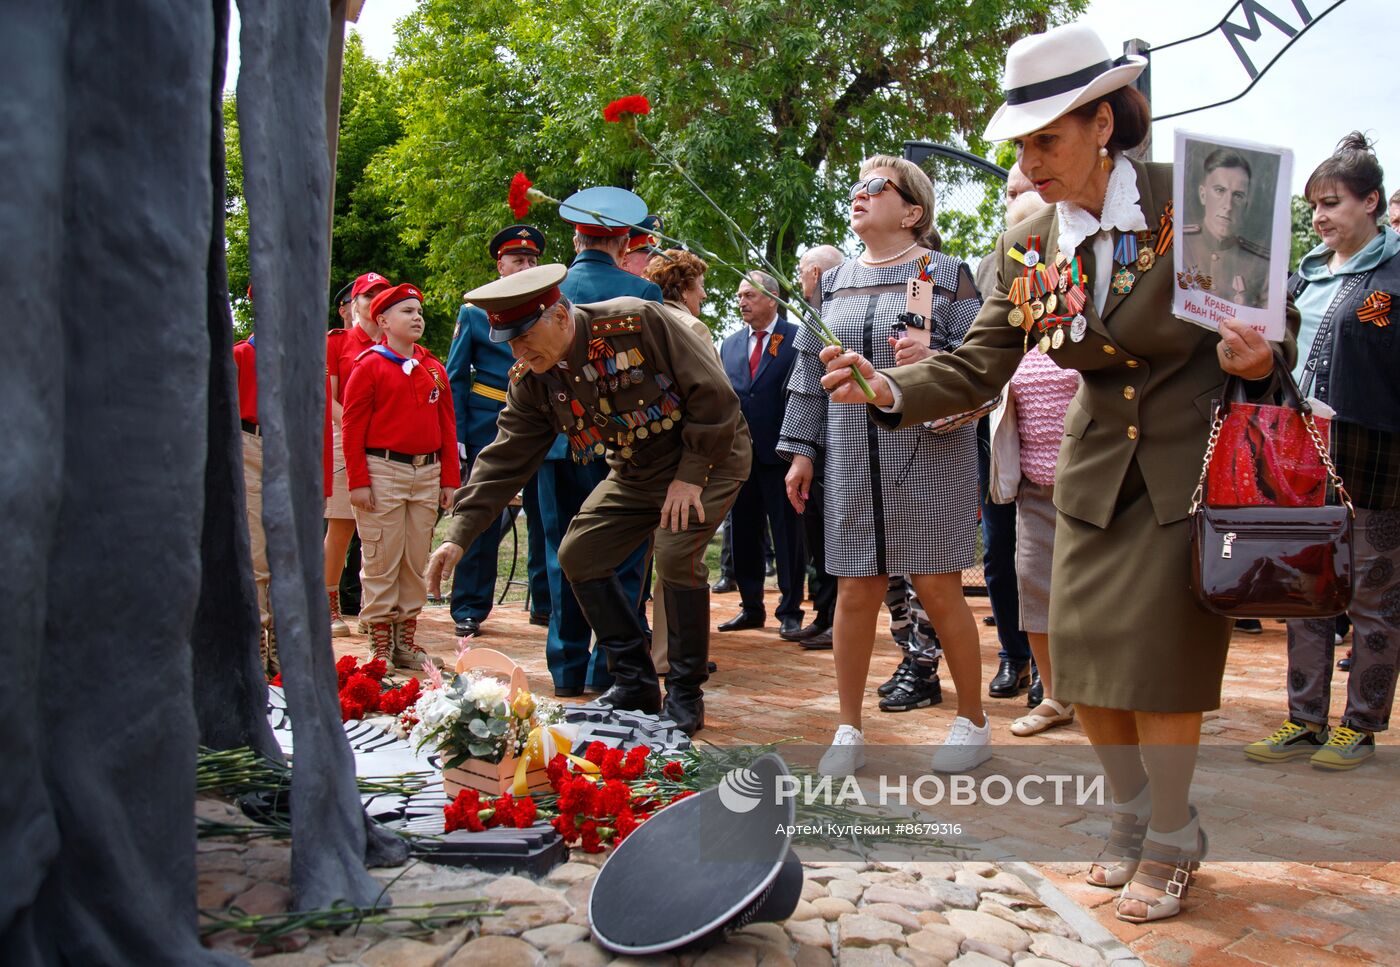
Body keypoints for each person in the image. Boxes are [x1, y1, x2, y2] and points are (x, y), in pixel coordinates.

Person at [819, 23, 1298, 923]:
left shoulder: (1192, 196)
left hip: (1181, 470)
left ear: (1104, 123)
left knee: (1158, 666)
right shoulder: (1032, 238)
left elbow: (1277, 328)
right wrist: (890, 386)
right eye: (1022, 142)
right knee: (1079, 668)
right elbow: (976, 364)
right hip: (1086, 472)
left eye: (1048, 137)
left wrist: (1255, 360)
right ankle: (1129, 819)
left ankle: (1170, 834)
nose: (1031, 160)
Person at [425, 264, 750, 735]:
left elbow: (716, 396)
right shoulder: (534, 378)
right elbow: (504, 458)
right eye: (510, 342)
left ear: (559, 315)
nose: (518, 351)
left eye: (524, 336)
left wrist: (690, 475)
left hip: (709, 458)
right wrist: (458, 536)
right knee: (579, 553)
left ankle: (685, 692)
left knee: (676, 553)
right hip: (637, 469)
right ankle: (634, 680)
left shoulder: (636, 322)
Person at [780, 153, 986, 775]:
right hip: (849, 452)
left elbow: (980, 369)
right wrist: (802, 450)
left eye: (876, 186)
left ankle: (972, 721)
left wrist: (936, 351)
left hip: (929, 450)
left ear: (913, 211)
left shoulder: (944, 274)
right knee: (854, 590)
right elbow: (808, 374)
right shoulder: (835, 281)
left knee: (937, 586)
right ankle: (847, 729)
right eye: (857, 184)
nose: (859, 193)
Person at [1245, 132, 1400, 771]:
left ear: (1374, 204)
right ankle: (1303, 718)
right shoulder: (1300, 277)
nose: (1319, 217)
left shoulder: (1394, 276)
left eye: (1332, 202)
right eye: (1313, 205)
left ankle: (1360, 726)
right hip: (1298, 451)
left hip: (1376, 452)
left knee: (1373, 594)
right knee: (1305, 590)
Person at [535, 187, 660, 697]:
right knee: (621, 557)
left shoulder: (547, 289)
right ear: (626, 240)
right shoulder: (642, 293)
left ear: (575, 235)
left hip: (555, 444)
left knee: (560, 551)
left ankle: (565, 669)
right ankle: (608, 668)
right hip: (621, 447)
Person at [341, 283, 459, 668]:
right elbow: (352, 427)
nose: (417, 317)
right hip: (382, 471)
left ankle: (405, 641)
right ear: (383, 321)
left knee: (414, 559)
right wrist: (358, 480)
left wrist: (449, 480)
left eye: (419, 311)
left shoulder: (434, 369)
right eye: (407, 311)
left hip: (425, 473)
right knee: (381, 557)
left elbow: (447, 426)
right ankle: (379, 644)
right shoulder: (369, 365)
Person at [445, 224, 551, 637]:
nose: (526, 265)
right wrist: (456, 435)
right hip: (487, 422)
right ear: (500, 266)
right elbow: (456, 375)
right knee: (482, 516)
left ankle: (545, 603)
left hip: (543, 423)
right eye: (518, 260)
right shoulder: (475, 310)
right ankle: (469, 607)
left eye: (531, 260)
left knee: (547, 516)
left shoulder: (550, 308)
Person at [977, 166, 1041, 702]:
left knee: (1047, 558)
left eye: (1022, 190)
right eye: (1009, 191)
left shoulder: (1078, 257)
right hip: (999, 430)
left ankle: (1051, 666)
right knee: (1000, 553)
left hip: (1060, 437)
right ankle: (1013, 655)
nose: (1013, 199)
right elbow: (976, 351)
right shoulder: (989, 265)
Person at [719, 272, 806, 637]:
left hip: (783, 455)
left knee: (787, 535)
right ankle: (751, 606)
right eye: (739, 296)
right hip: (741, 456)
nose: (742, 302)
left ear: (773, 299)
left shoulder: (797, 339)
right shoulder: (730, 344)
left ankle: (790, 610)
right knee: (743, 533)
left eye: (750, 295)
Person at [785, 245, 847, 649]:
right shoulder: (812, 315)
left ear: (819, 274)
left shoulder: (837, 314)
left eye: (803, 271)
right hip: (815, 451)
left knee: (838, 542)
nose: (800, 278)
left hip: (842, 446)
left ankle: (838, 621)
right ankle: (824, 615)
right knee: (816, 540)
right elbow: (804, 387)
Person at [325, 271, 391, 636]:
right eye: (367, 297)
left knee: (379, 528)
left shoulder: (396, 345)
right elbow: (328, 399)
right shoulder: (337, 343)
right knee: (341, 525)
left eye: (383, 296)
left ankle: (374, 608)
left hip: (384, 444)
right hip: (344, 436)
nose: (373, 303)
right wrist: (358, 430)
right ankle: (329, 602)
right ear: (354, 305)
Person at [1181, 148, 1270, 309]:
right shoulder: (1178, 243)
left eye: (1238, 195)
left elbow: (1279, 326)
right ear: (1203, 195)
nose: (1228, 206)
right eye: (1219, 190)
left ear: (1246, 204)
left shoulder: (1261, 265)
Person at [644, 247, 711, 340]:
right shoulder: (693, 327)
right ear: (683, 288)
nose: (704, 295)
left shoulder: (640, 320)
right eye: (701, 286)